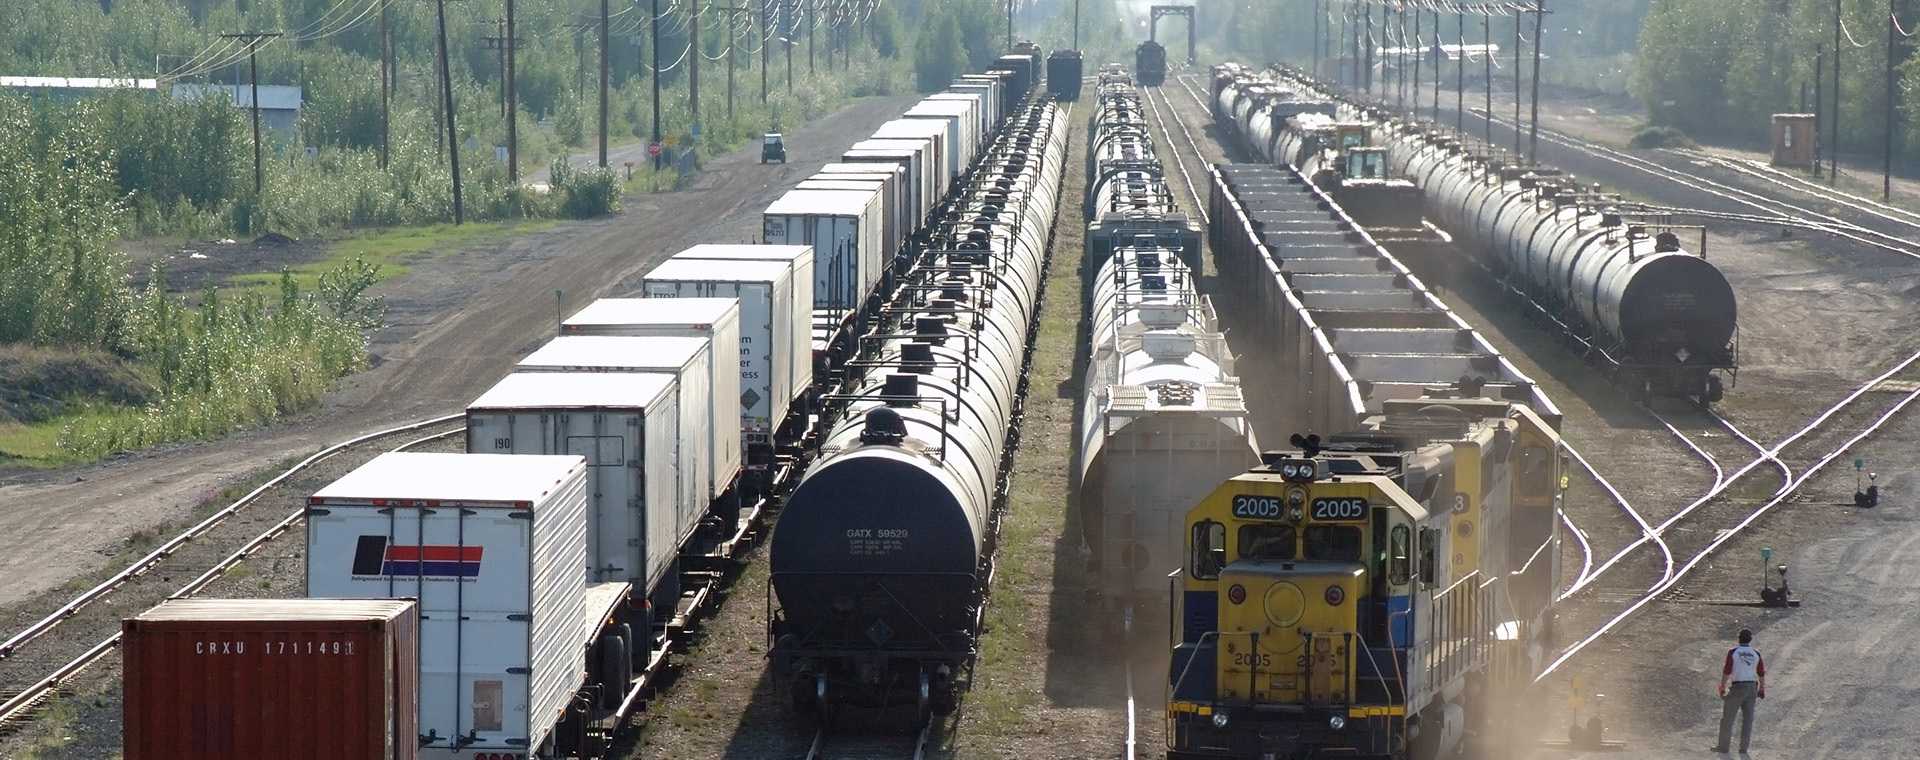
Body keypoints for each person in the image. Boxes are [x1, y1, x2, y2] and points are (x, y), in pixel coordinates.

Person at [1713, 628, 1767, 753]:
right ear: (1750, 639)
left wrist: (1722, 686)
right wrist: (1762, 688)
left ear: (1739, 638)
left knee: (1728, 718)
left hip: (1738, 687)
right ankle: (1743, 749)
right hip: (1752, 687)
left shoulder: (1733, 652)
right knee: (1748, 719)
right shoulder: (1756, 653)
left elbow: (1727, 671)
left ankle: (1723, 747)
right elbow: (1761, 673)